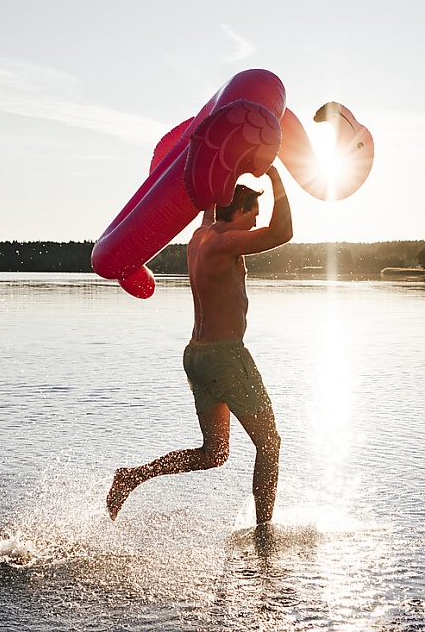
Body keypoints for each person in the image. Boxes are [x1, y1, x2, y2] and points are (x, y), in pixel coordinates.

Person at [107, 165, 292, 525]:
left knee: (214, 453)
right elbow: (283, 232)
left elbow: (211, 206)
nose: (255, 225)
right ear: (238, 212)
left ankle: (132, 477)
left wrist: (224, 173)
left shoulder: (200, 236)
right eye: (252, 216)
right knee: (269, 443)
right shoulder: (225, 243)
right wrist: (273, 176)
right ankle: (263, 531)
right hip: (225, 356)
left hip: (196, 356)